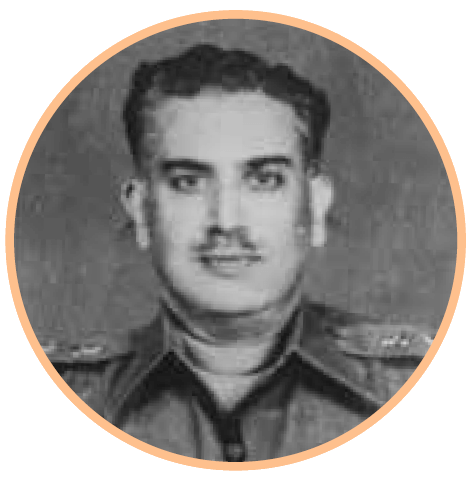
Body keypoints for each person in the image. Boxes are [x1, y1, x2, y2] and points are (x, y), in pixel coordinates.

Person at [43, 44, 434, 462]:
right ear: (140, 210)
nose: (226, 221)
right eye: (188, 182)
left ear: (315, 206)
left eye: (264, 180)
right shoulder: (52, 395)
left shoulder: (423, 383)